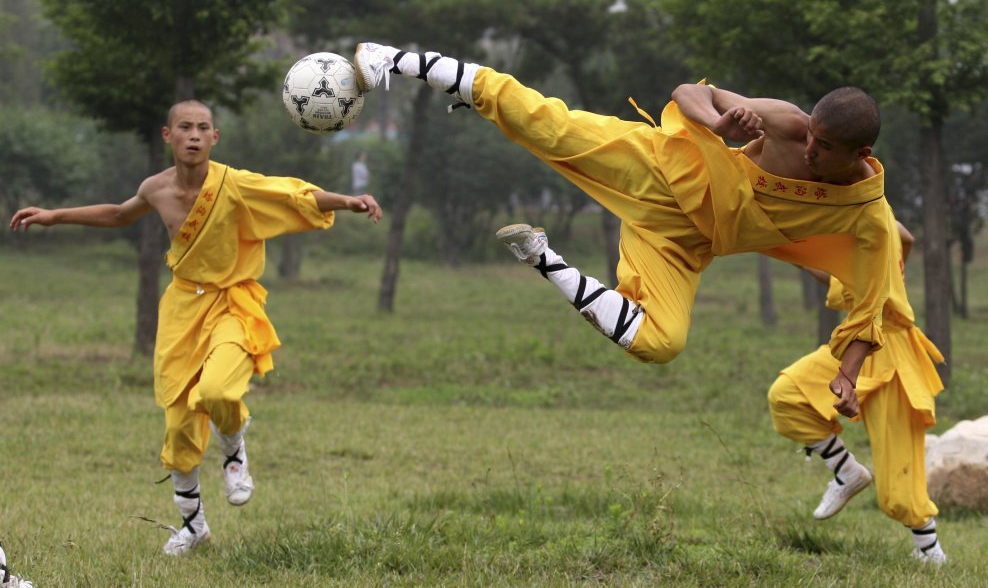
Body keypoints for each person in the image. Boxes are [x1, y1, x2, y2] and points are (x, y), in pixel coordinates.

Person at [351, 42, 892, 412]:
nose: (809, 148)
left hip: (680, 244)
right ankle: (394, 59)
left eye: (824, 147)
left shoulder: (868, 216)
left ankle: (540, 256)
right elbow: (688, 92)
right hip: (660, 166)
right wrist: (718, 122)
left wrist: (846, 375)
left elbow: (871, 302)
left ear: (861, 153)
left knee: (662, 343)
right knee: (547, 123)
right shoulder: (791, 124)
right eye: (811, 136)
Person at [8, 100, 382, 556]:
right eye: (184, 127)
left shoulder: (233, 184)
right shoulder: (156, 189)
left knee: (219, 392)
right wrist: (54, 216)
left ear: (214, 138)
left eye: (203, 128)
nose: (193, 135)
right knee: (179, 422)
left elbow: (292, 195)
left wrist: (346, 201)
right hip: (182, 310)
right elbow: (118, 214)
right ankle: (193, 526)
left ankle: (233, 450)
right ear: (168, 135)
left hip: (232, 304)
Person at [768, 219, 947, 564]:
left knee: (897, 491)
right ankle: (845, 470)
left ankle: (931, 554)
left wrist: (872, 215)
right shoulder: (861, 234)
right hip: (854, 345)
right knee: (788, 395)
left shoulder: (871, 231)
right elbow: (904, 238)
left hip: (893, 357)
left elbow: (898, 240)